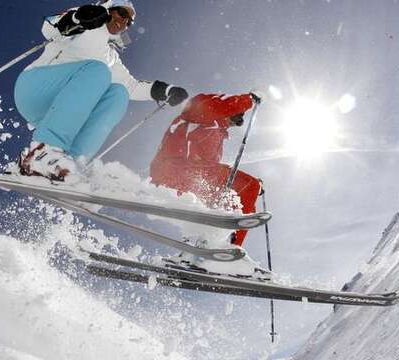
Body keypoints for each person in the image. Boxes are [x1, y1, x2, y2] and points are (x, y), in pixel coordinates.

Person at [13, 0, 188, 181]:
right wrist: (78, 17)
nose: (125, 22)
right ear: (109, 7)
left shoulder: (109, 56)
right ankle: (40, 152)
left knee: (118, 94)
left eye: (130, 22)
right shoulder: (86, 21)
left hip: (55, 113)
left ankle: (69, 163)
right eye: (122, 13)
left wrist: (164, 90)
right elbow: (50, 27)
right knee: (98, 71)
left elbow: (131, 86)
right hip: (34, 89)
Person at [150, 92, 262, 249]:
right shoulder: (200, 111)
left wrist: (246, 191)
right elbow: (218, 107)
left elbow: (212, 169)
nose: (236, 122)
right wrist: (248, 100)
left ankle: (204, 249)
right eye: (236, 117)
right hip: (174, 170)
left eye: (239, 121)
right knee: (249, 186)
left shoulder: (216, 132)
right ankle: (225, 247)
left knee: (241, 199)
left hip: (192, 177)